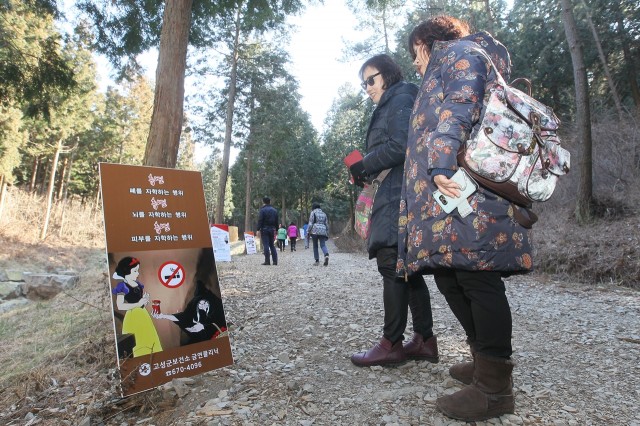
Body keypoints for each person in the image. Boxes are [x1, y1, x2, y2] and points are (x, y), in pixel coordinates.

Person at [397, 16, 535, 421]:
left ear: (425, 43)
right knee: (449, 272)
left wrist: (439, 161)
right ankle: (482, 360)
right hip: (452, 193)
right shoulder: (453, 61)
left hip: (465, 187)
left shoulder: (460, 54)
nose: (415, 65)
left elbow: (461, 105)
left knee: (478, 276)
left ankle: (495, 390)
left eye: (414, 55)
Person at [348, 54, 438, 368]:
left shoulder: (399, 97)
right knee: (407, 268)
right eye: (363, 83)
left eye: (370, 79)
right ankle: (424, 340)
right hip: (396, 187)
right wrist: (364, 170)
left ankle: (391, 343)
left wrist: (366, 162)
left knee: (392, 262)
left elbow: (401, 145)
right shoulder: (395, 101)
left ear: (386, 75)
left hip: (399, 193)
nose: (366, 87)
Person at [111, 256, 163, 357]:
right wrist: (138, 304)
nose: (137, 273)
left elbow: (138, 301)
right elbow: (120, 306)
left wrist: (144, 300)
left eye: (137, 270)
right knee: (137, 341)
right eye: (135, 271)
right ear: (126, 272)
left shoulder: (137, 284)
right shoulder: (122, 287)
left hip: (143, 315)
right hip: (133, 317)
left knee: (148, 338)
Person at [152, 280, 227, 345]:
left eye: (205, 303)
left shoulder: (217, 306)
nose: (203, 305)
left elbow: (221, 321)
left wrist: (203, 326)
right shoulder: (195, 311)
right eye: (201, 304)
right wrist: (163, 316)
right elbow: (182, 317)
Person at [257, 196, 278, 265]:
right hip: (272, 229)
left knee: (266, 245)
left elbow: (260, 220)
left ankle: (267, 261)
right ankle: (275, 261)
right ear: (270, 202)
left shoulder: (262, 210)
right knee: (272, 245)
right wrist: (277, 229)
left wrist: (258, 229)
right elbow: (276, 221)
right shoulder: (274, 210)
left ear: (263, 202)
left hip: (264, 229)